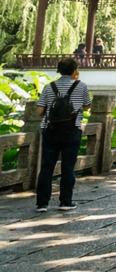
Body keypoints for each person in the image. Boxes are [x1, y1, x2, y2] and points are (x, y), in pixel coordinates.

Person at [35, 58, 90, 212]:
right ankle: (65, 202)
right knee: (68, 167)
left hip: (50, 130)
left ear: (58, 71)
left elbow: (39, 111)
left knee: (47, 166)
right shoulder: (81, 86)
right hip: (72, 130)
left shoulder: (48, 87)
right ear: (75, 71)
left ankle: (42, 204)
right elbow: (86, 105)